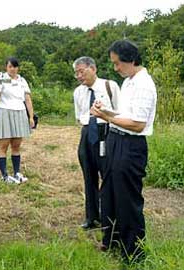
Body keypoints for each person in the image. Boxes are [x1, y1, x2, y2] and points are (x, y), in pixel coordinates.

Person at [91, 40, 157, 262]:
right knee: (109, 193)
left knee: (127, 200)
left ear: (130, 60)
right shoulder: (129, 82)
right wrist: (107, 111)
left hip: (131, 146)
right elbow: (124, 115)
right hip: (115, 140)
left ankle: (133, 254)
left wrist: (106, 116)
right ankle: (112, 242)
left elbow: (138, 124)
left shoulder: (144, 85)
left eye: (118, 63)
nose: (115, 68)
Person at [73, 56, 120, 230]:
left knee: (107, 175)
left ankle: (109, 217)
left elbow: (119, 111)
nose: (79, 75)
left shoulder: (110, 86)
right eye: (76, 72)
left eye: (82, 71)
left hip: (106, 132)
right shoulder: (78, 92)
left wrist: (105, 113)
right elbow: (79, 117)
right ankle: (91, 216)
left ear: (93, 68)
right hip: (87, 133)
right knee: (89, 176)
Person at [0, 57, 34, 184]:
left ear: (17, 68)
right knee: (3, 145)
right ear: (6, 67)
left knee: (16, 145)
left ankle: (16, 173)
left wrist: (31, 117)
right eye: (10, 67)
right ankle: (4, 176)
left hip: (20, 112)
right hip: (4, 111)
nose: (13, 69)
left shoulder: (22, 80)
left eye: (15, 67)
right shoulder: (0, 79)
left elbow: (27, 99)